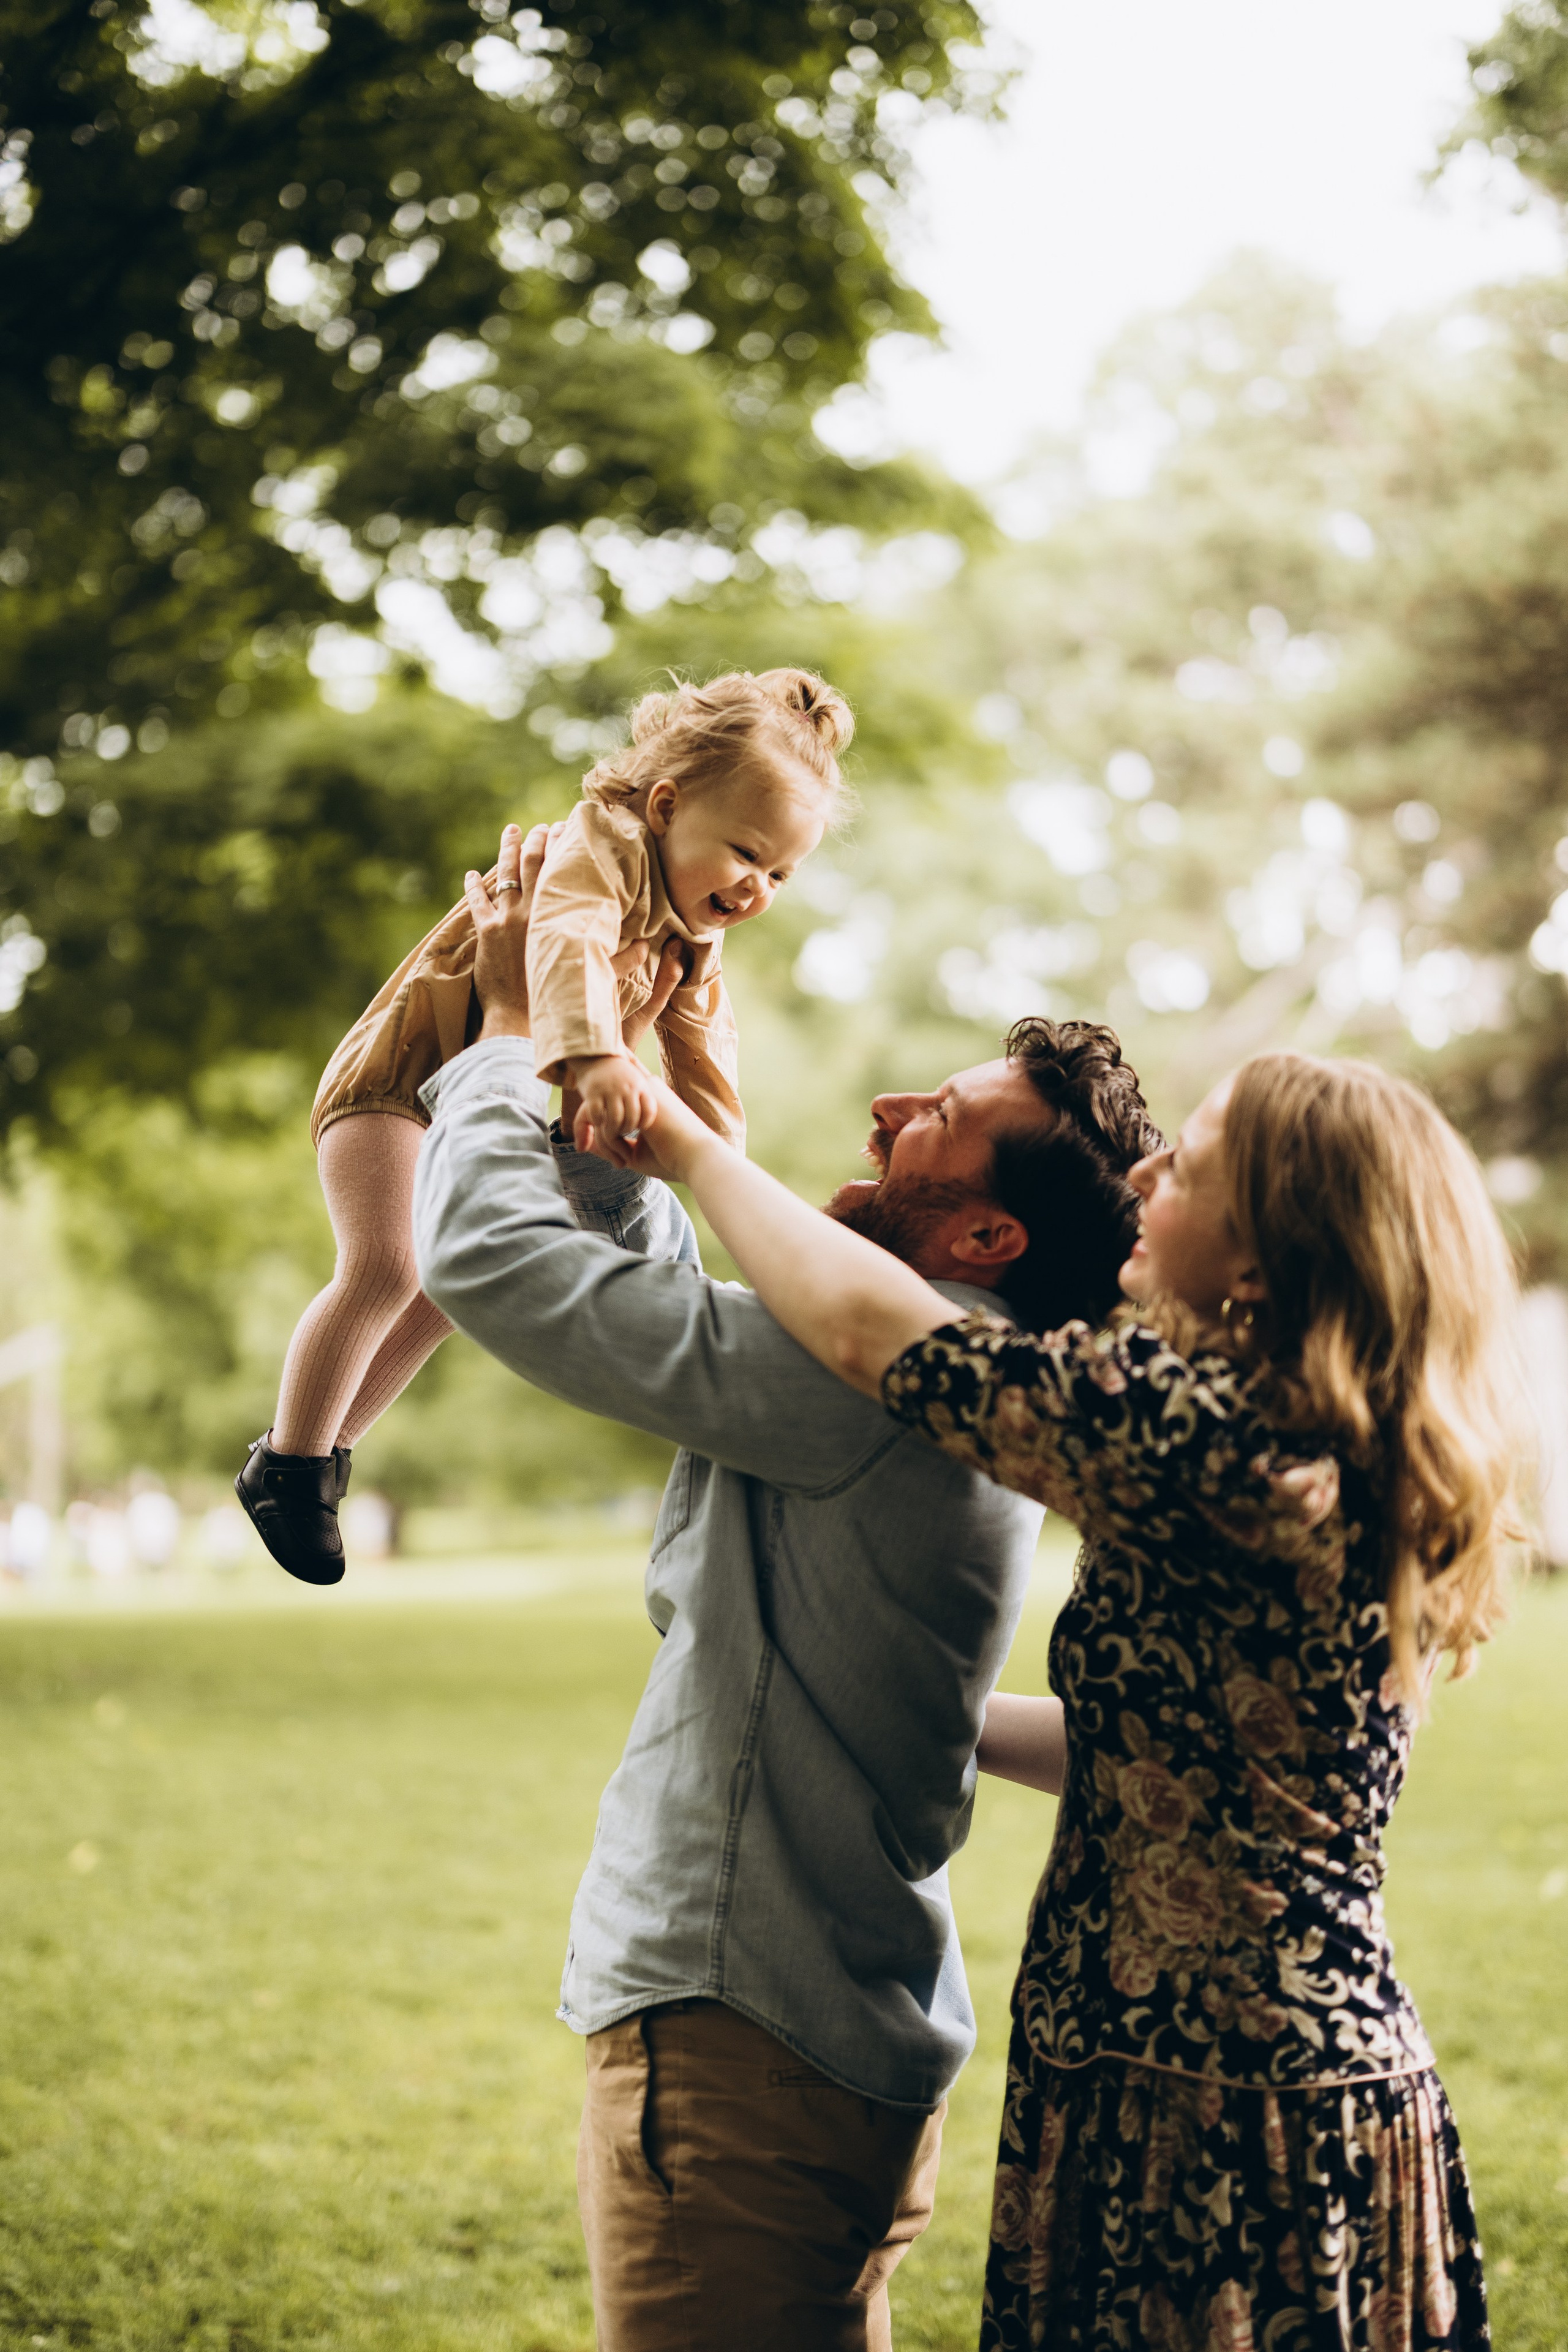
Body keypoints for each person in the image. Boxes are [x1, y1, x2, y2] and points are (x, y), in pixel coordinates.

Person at [624, 1041, 1526, 2352]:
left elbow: (874, 1333)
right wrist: (895, 1701)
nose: (1148, 1169)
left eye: (1194, 1165)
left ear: (1267, 1254)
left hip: (1211, 2104)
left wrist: (689, 1148)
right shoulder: (1325, 1447)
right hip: (1297, 2075)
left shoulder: (1212, 1441)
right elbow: (1184, 1759)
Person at [409, 821, 1161, 2352]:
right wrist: (611, 1089)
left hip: (745, 2033)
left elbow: (491, 1263)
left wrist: (505, 1044)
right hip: (832, 2036)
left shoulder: (881, 1372)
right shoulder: (936, 1364)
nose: (889, 1107)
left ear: (981, 1235)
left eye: (934, 1119)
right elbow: (679, 1309)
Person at [236, 668, 850, 1587]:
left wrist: (726, 1171)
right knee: (386, 1266)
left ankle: (316, 1458)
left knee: (444, 1284)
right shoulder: (596, 850)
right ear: (667, 803)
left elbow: (704, 1049)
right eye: (745, 853)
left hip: (474, 1103)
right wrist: (596, 1057)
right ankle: (289, 1464)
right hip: (400, 1084)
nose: (757, 886)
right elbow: (562, 940)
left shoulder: (693, 933)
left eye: (779, 873)